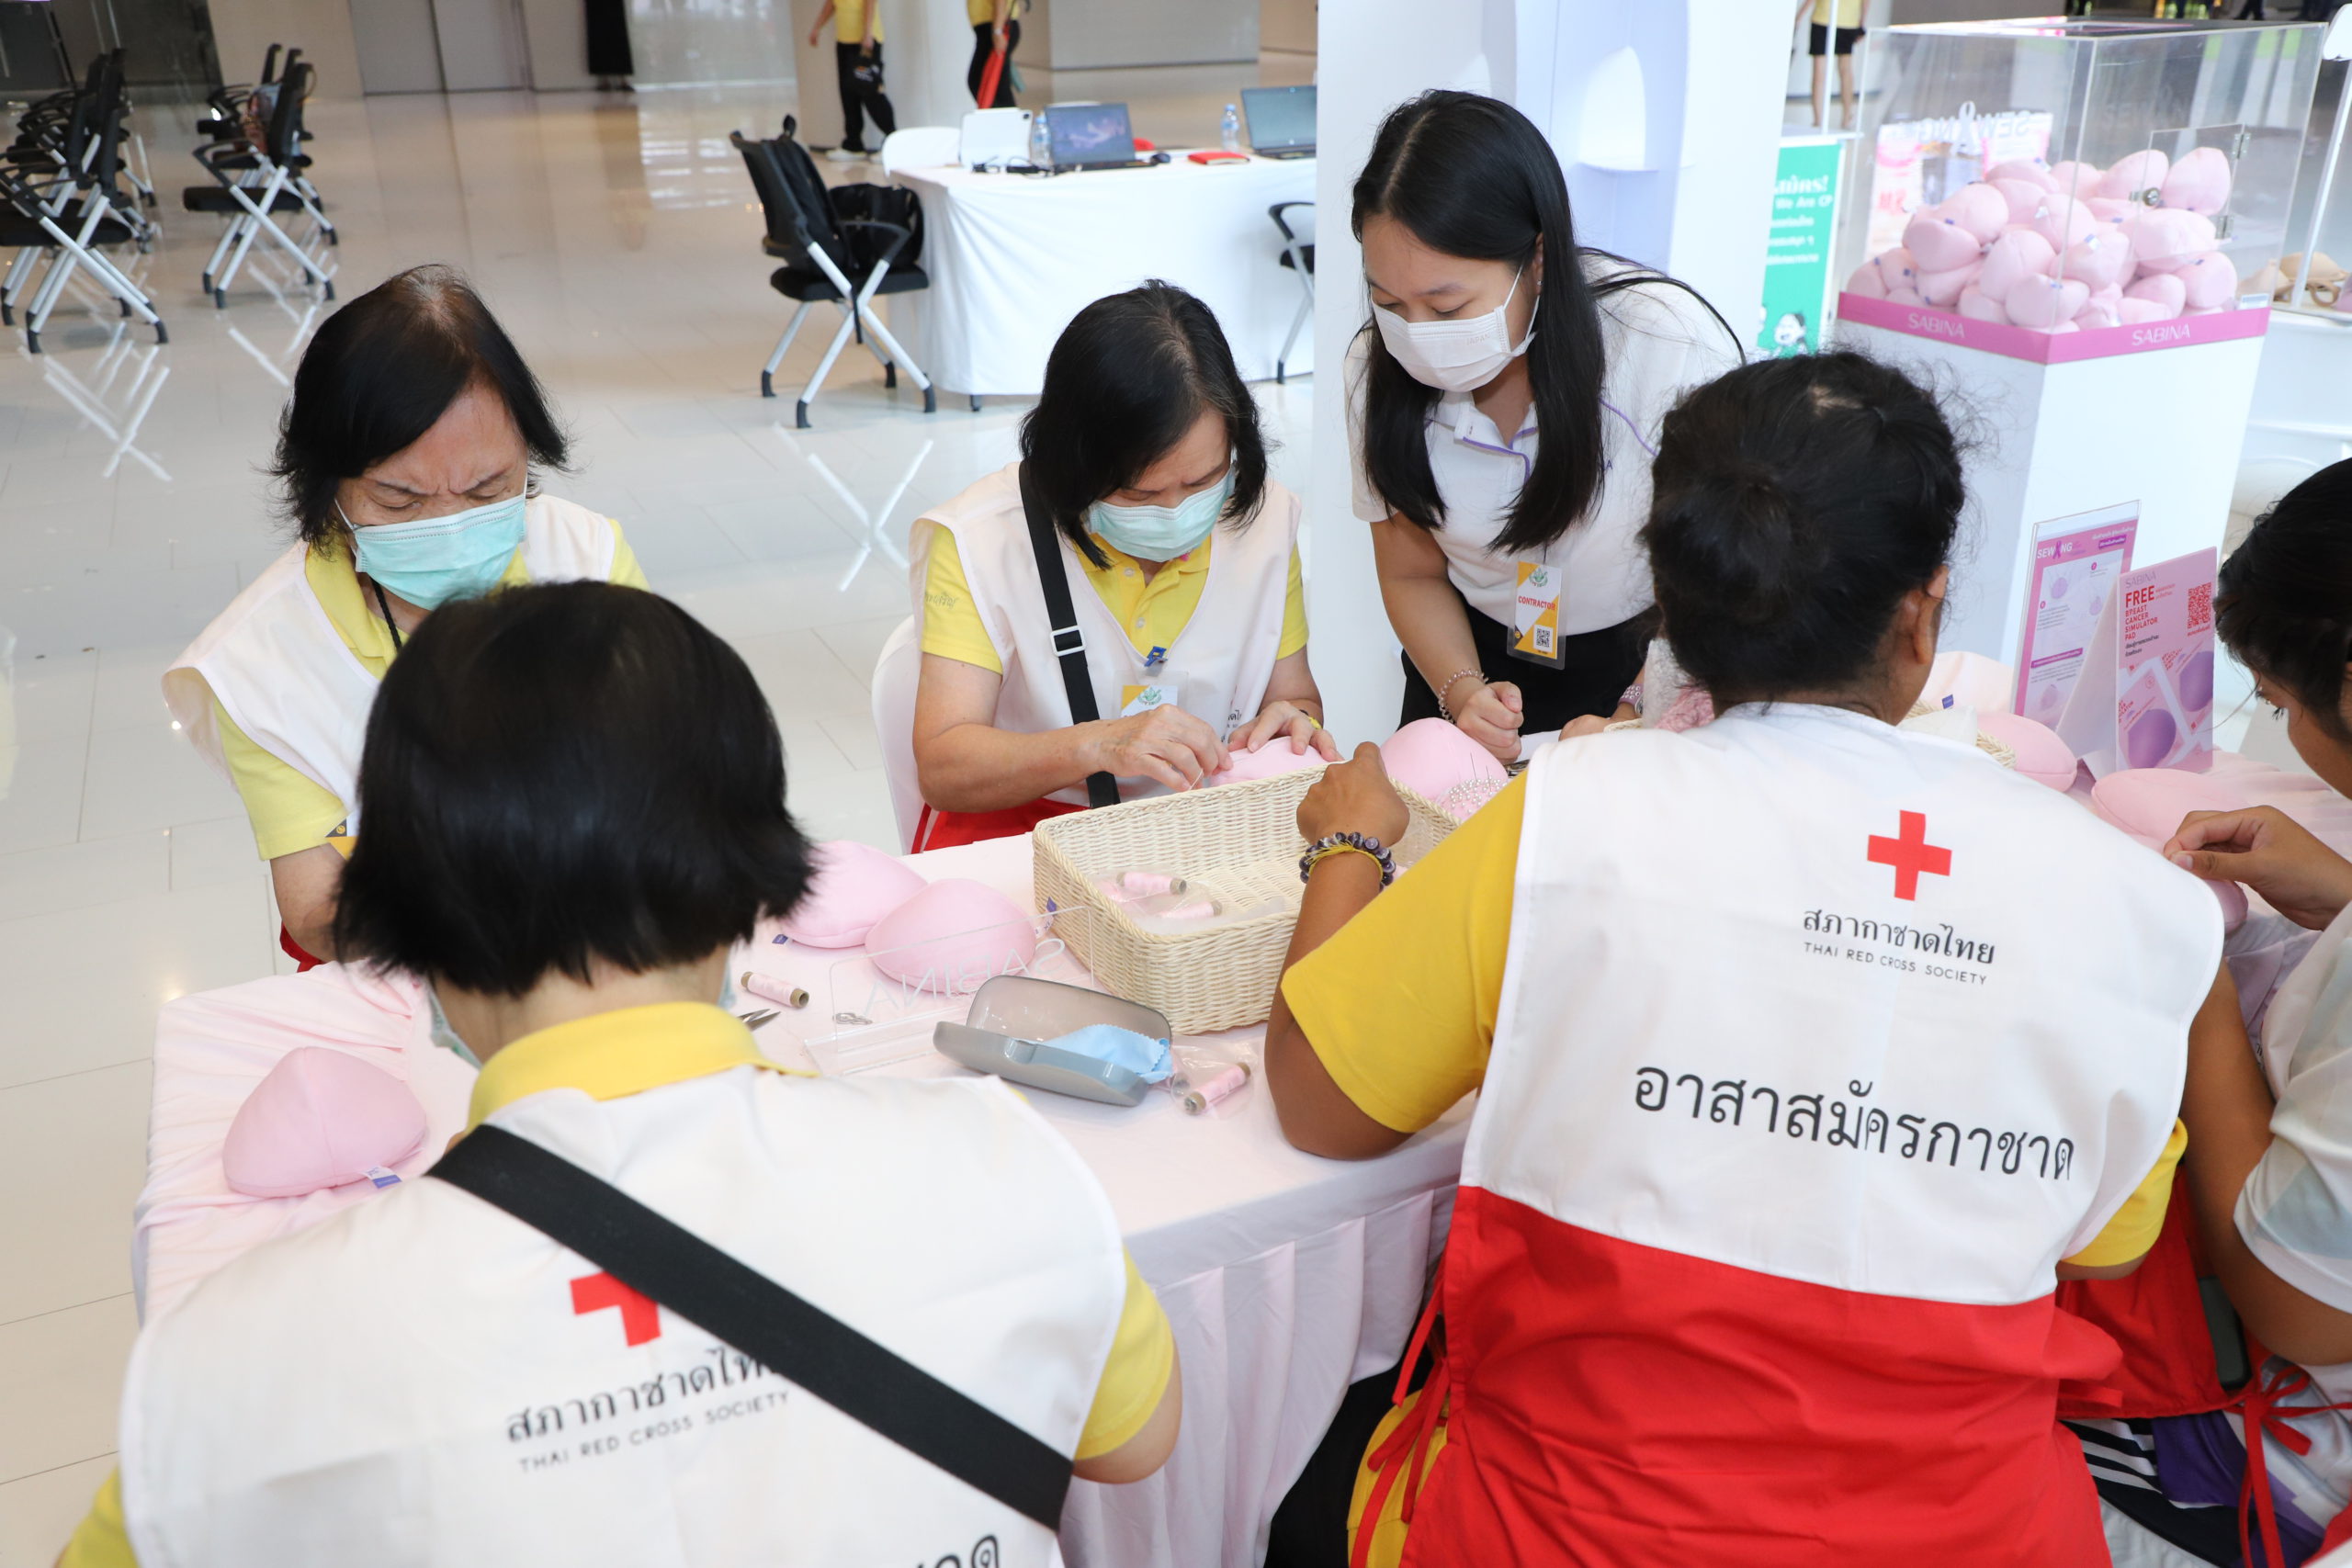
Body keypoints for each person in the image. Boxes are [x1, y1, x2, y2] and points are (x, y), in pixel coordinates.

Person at [1261, 352, 2231, 1566]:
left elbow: (1319, 1104)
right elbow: (2108, 1241)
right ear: (1923, 609)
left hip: (1567, 1533)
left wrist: (1347, 845)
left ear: (1671, 607)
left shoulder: (1571, 816)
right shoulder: (2126, 900)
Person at [60, 583, 1180, 1567]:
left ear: (408, 925)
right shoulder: (994, 1163)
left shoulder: (244, 1353)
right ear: (755, 881)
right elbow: (1134, 1443)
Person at [163, 265, 649, 968]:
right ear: (325, 486)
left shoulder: (586, 556)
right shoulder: (261, 665)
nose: (448, 524)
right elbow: (316, 909)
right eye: (400, 499)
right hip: (401, 975)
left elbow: (671, 769)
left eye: (488, 488)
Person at [1348, 91, 1742, 765]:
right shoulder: (1375, 366)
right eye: (1389, 303)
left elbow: (1721, 576)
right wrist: (1463, 693)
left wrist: (1636, 708)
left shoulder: (1666, 346)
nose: (1416, 335)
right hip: (1467, 663)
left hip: (1645, 662)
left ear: (1537, 260)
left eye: (1448, 307)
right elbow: (1411, 573)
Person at [2113, 458, 2352, 1565]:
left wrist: (2197, 989)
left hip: (2292, 1467)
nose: (2282, 736)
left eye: (2283, 707)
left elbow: (2295, 1308)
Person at [910, 280, 1335, 850]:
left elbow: (1295, 695)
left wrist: (1293, 720)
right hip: (1032, 827)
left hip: (1207, 822)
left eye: (1204, 481)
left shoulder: (1265, 517)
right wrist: (1099, 745)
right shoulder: (980, 539)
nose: (1175, 512)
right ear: (1072, 464)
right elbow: (943, 766)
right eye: (1140, 494)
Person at [808, 0, 896, 162]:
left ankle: (894, 142)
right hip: (844, 40)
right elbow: (831, 3)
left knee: (871, 93)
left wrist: (867, 32)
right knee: (847, 93)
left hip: (865, 40)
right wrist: (817, 27)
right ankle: (853, 144)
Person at [1795, 0, 1866, 130]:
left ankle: (1820, 120)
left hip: (1828, 19)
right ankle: (1844, 118)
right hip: (1843, 21)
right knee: (1843, 70)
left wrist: (1799, 16)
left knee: (1823, 72)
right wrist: (1862, 21)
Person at [968, 0, 1020, 108]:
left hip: (996, 28)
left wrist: (997, 30)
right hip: (992, 28)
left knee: (982, 82)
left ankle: (1005, 117)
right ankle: (1001, 116)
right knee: (994, 83)